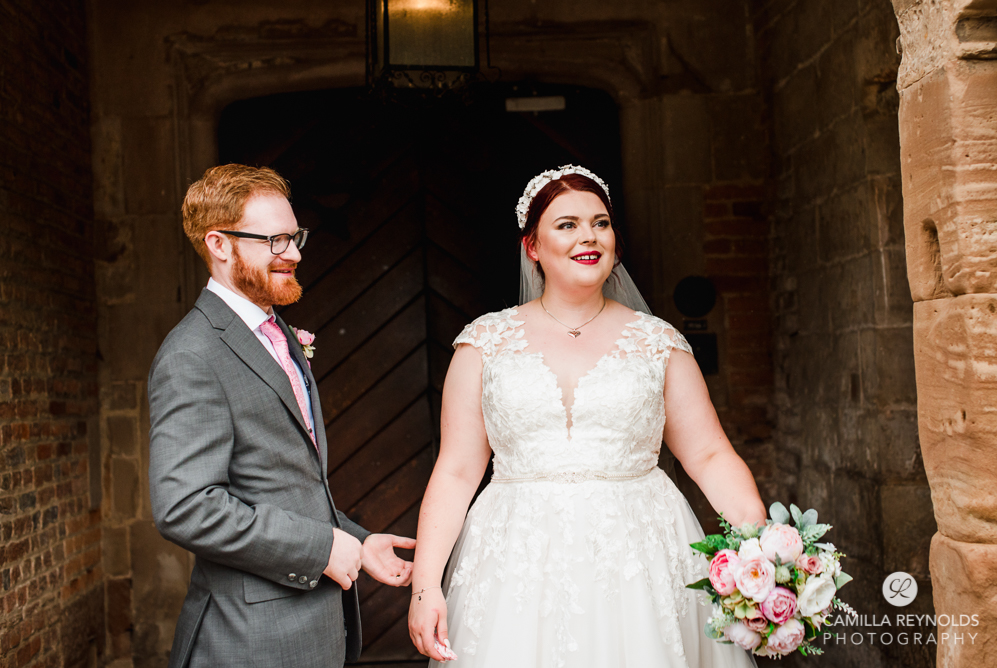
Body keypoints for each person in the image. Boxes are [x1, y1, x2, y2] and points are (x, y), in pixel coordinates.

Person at [407, 166, 766, 667]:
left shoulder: (658, 342)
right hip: (517, 559)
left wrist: (762, 554)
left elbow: (708, 455)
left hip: (642, 553)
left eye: (600, 222)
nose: (589, 236)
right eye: (567, 224)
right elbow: (457, 469)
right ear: (532, 246)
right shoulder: (484, 344)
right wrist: (425, 585)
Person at [148, 164, 415, 668]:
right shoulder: (192, 354)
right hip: (250, 641)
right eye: (274, 241)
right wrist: (320, 549)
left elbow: (280, 483)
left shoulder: (276, 332)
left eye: (295, 238)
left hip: (308, 634)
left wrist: (359, 543)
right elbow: (184, 506)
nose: (293, 254)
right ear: (220, 245)